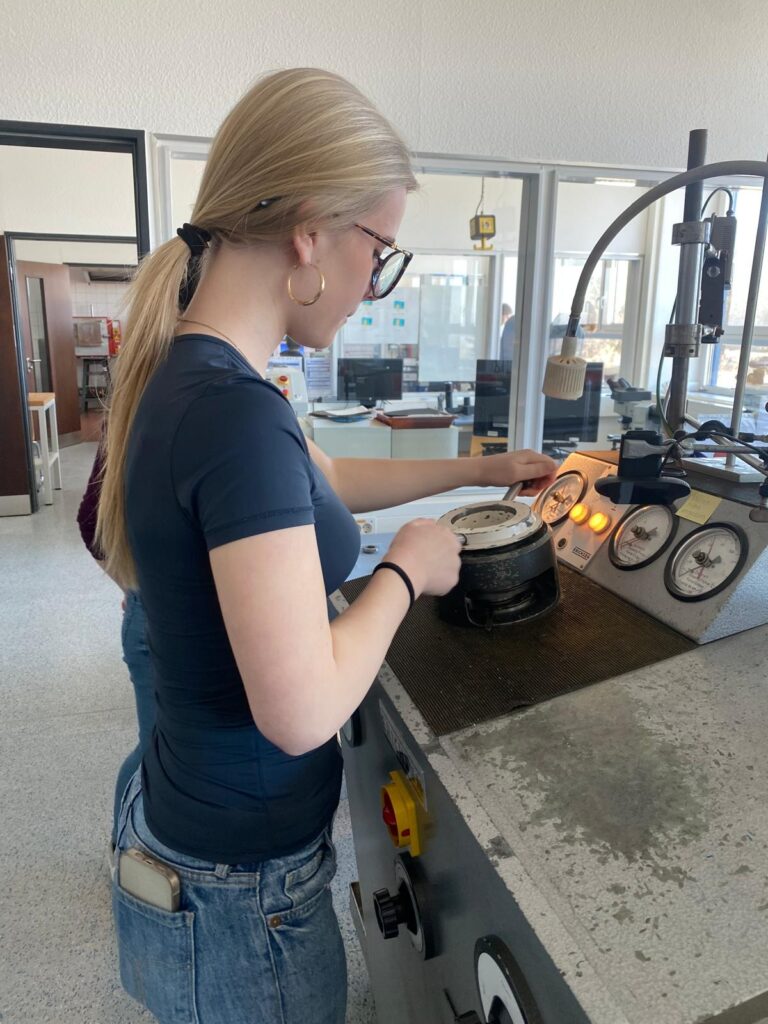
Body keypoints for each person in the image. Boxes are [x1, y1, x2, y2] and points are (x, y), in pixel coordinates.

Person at [95, 67, 557, 1024]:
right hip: (245, 888)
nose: (371, 284)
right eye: (378, 249)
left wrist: (478, 472)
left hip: (200, 833)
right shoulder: (233, 413)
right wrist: (404, 571)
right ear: (310, 231)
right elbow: (302, 709)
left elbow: (330, 483)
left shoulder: (211, 375)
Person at [77, 442, 154, 848]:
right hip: (160, 615)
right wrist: (129, 579)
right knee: (156, 752)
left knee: (158, 749)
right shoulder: (153, 400)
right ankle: (123, 846)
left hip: (157, 608)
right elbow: (92, 520)